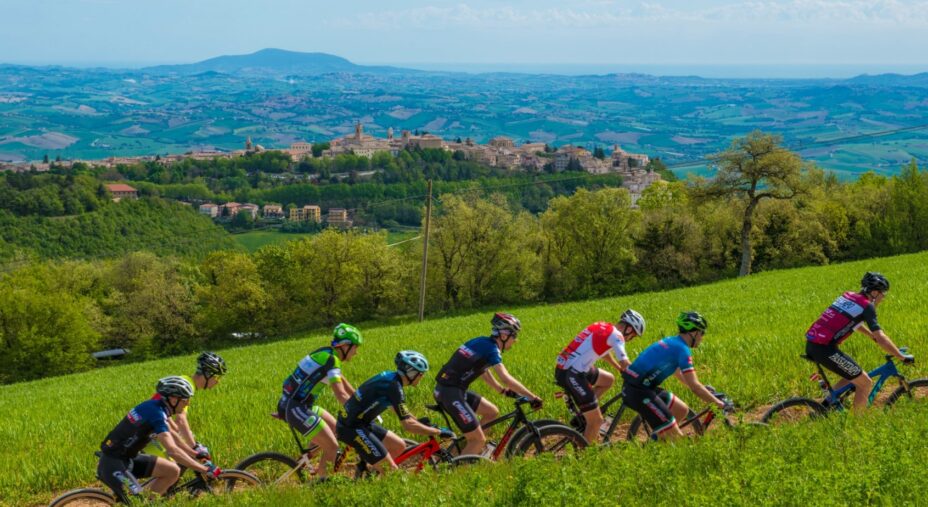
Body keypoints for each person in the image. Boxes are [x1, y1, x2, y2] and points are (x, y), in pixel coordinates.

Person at [97, 376, 222, 503]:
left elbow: (173, 436)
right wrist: (204, 469)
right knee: (136, 503)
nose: (188, 403)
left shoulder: (157, 408)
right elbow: (172, 450)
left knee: (172, 471)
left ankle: (150, 503)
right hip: (113, 464)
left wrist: (195, 453)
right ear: (173, 399)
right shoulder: (156, 414)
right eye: (185, 399)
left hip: (127, 458)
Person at [433, 312, 542, 456]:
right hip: (451, 393)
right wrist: (532, 397)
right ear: (504, 336)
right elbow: (506, 378)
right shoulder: (492, 349)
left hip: (450, 389)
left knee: (491, 412)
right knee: (478, 440)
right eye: (514, 336)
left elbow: (482, 370)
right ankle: (457, 470)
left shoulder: (480, 341)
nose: (515, 340)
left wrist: (501, 390)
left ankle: (459, 454)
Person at [805, 272, 913, 413]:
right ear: (874, 292)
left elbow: (853, 321)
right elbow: (880, 336)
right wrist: (901, 356)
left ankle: (825, 407)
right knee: (865, 383)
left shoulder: (848, 296)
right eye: (883, 293)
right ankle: (858, 424)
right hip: (825, 349)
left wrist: (870, 335)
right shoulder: (867, 306)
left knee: (854, 376)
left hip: (813, 345)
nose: (883, 297)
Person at [336, 351, 452, 473]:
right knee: (390, 470)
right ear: (411, 373)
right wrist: (438, 432)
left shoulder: (391, 379)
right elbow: (408, 426)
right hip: (351, 427)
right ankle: (379, 478)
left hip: (362, 422)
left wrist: (418, 422)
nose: (421, 377)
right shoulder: (394, 387)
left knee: (399, 446)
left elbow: (399, 411)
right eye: (420, 374)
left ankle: (373, 474)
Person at [620, 312, 730, 440]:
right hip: (638, 392)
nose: (702, 337)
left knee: (681, 410)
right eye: (702, 333)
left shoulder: (673, 342)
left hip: (641, 387)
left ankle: (659, 441)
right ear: (694, 333)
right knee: (679, 440)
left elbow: (677, 372)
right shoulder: (682, 349)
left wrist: (703, 390)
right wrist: (717, 402)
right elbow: (695, 386)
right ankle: (664, 442)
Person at [278, 323, 362, 480]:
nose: (356, 352)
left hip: (296, 404)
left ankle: (306, 461)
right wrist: (359, 411)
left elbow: (342, 381)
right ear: (345, 346)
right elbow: (340, 393)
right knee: (332, 446)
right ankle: (323, 485)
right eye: (355, 347)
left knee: (336, 430)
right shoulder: (332, 360)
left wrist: (359, 397)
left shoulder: (326, 352)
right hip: (295, 407)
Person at [555, 309, 645, 444]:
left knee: (608, 379)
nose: (630, 339)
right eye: (633, 335)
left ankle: (584, 414)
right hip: (572, 373)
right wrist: (641, 376)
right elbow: (625, 362)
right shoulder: (618, 336)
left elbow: (604, 353)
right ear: (628, 329)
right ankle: (584, 456)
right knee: (597, 421)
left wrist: (618, 368)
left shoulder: (603, 326)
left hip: (567, 368)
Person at [145, 352, 227, 463]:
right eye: (217, 377)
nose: (218, 381)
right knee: (173, 468)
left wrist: (176, 431)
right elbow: (181, 419)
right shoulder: (186, 386)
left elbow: (166, 411)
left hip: (153, 426)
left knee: (179, 461)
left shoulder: (185, 381)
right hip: (150, 430)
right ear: (207, 374)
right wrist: (194, 447)